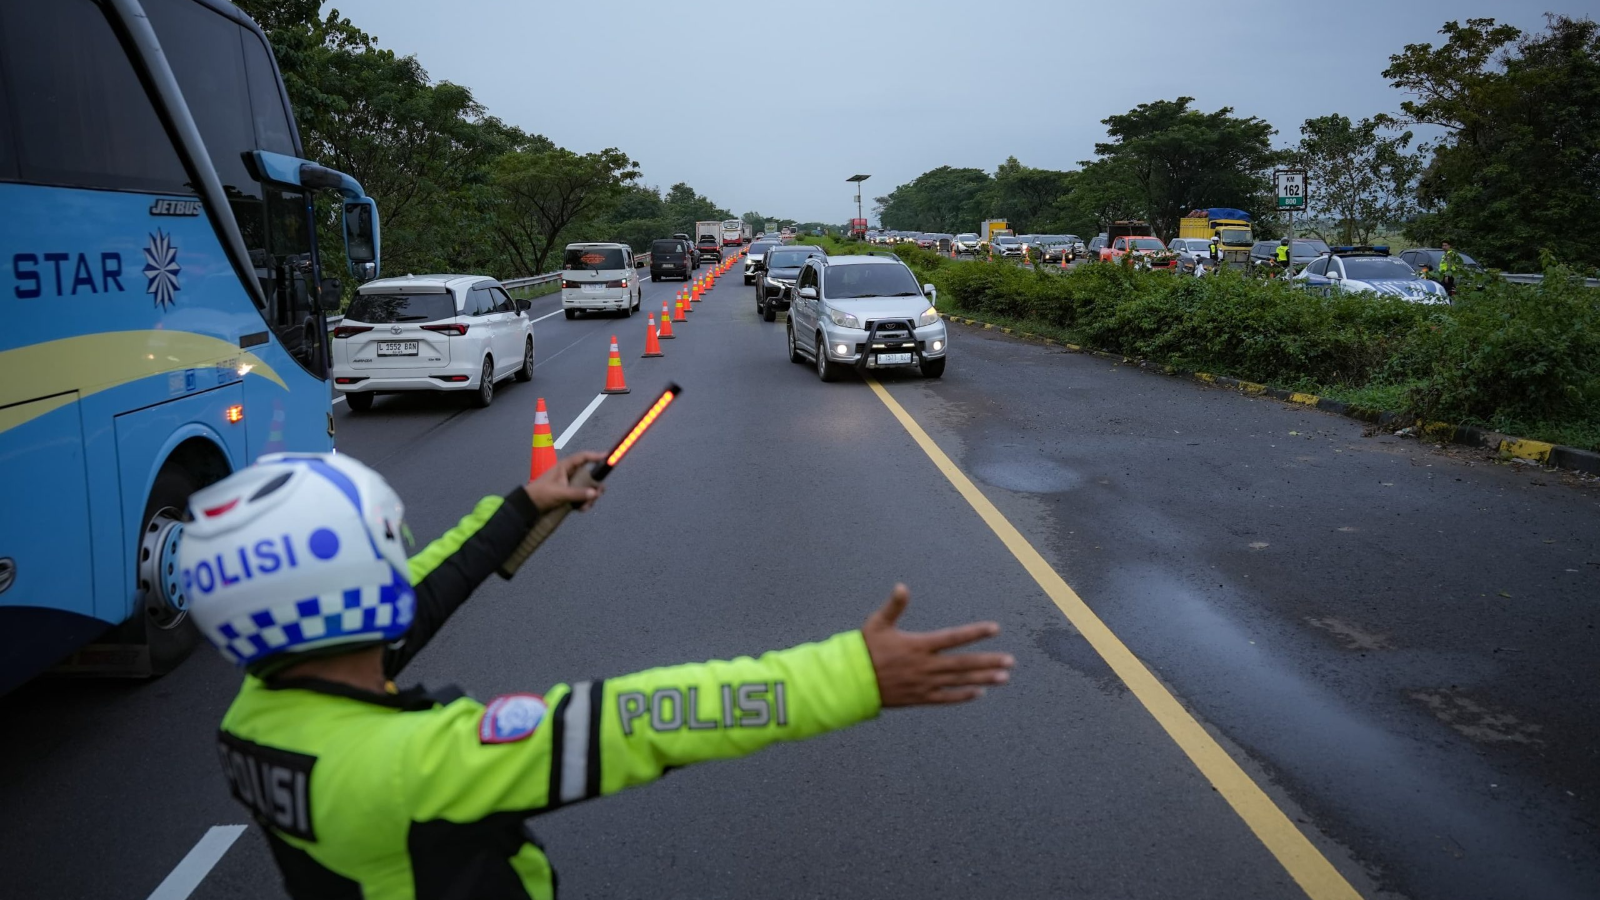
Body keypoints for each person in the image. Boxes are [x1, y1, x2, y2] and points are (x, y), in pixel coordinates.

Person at [181, 452, 1014, 899]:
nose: (402, 567)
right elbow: (634, 720)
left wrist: (520, 510)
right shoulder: (414, 767)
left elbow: (419, 595)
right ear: (366, 588)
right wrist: (848, 676)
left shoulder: (257, 717)